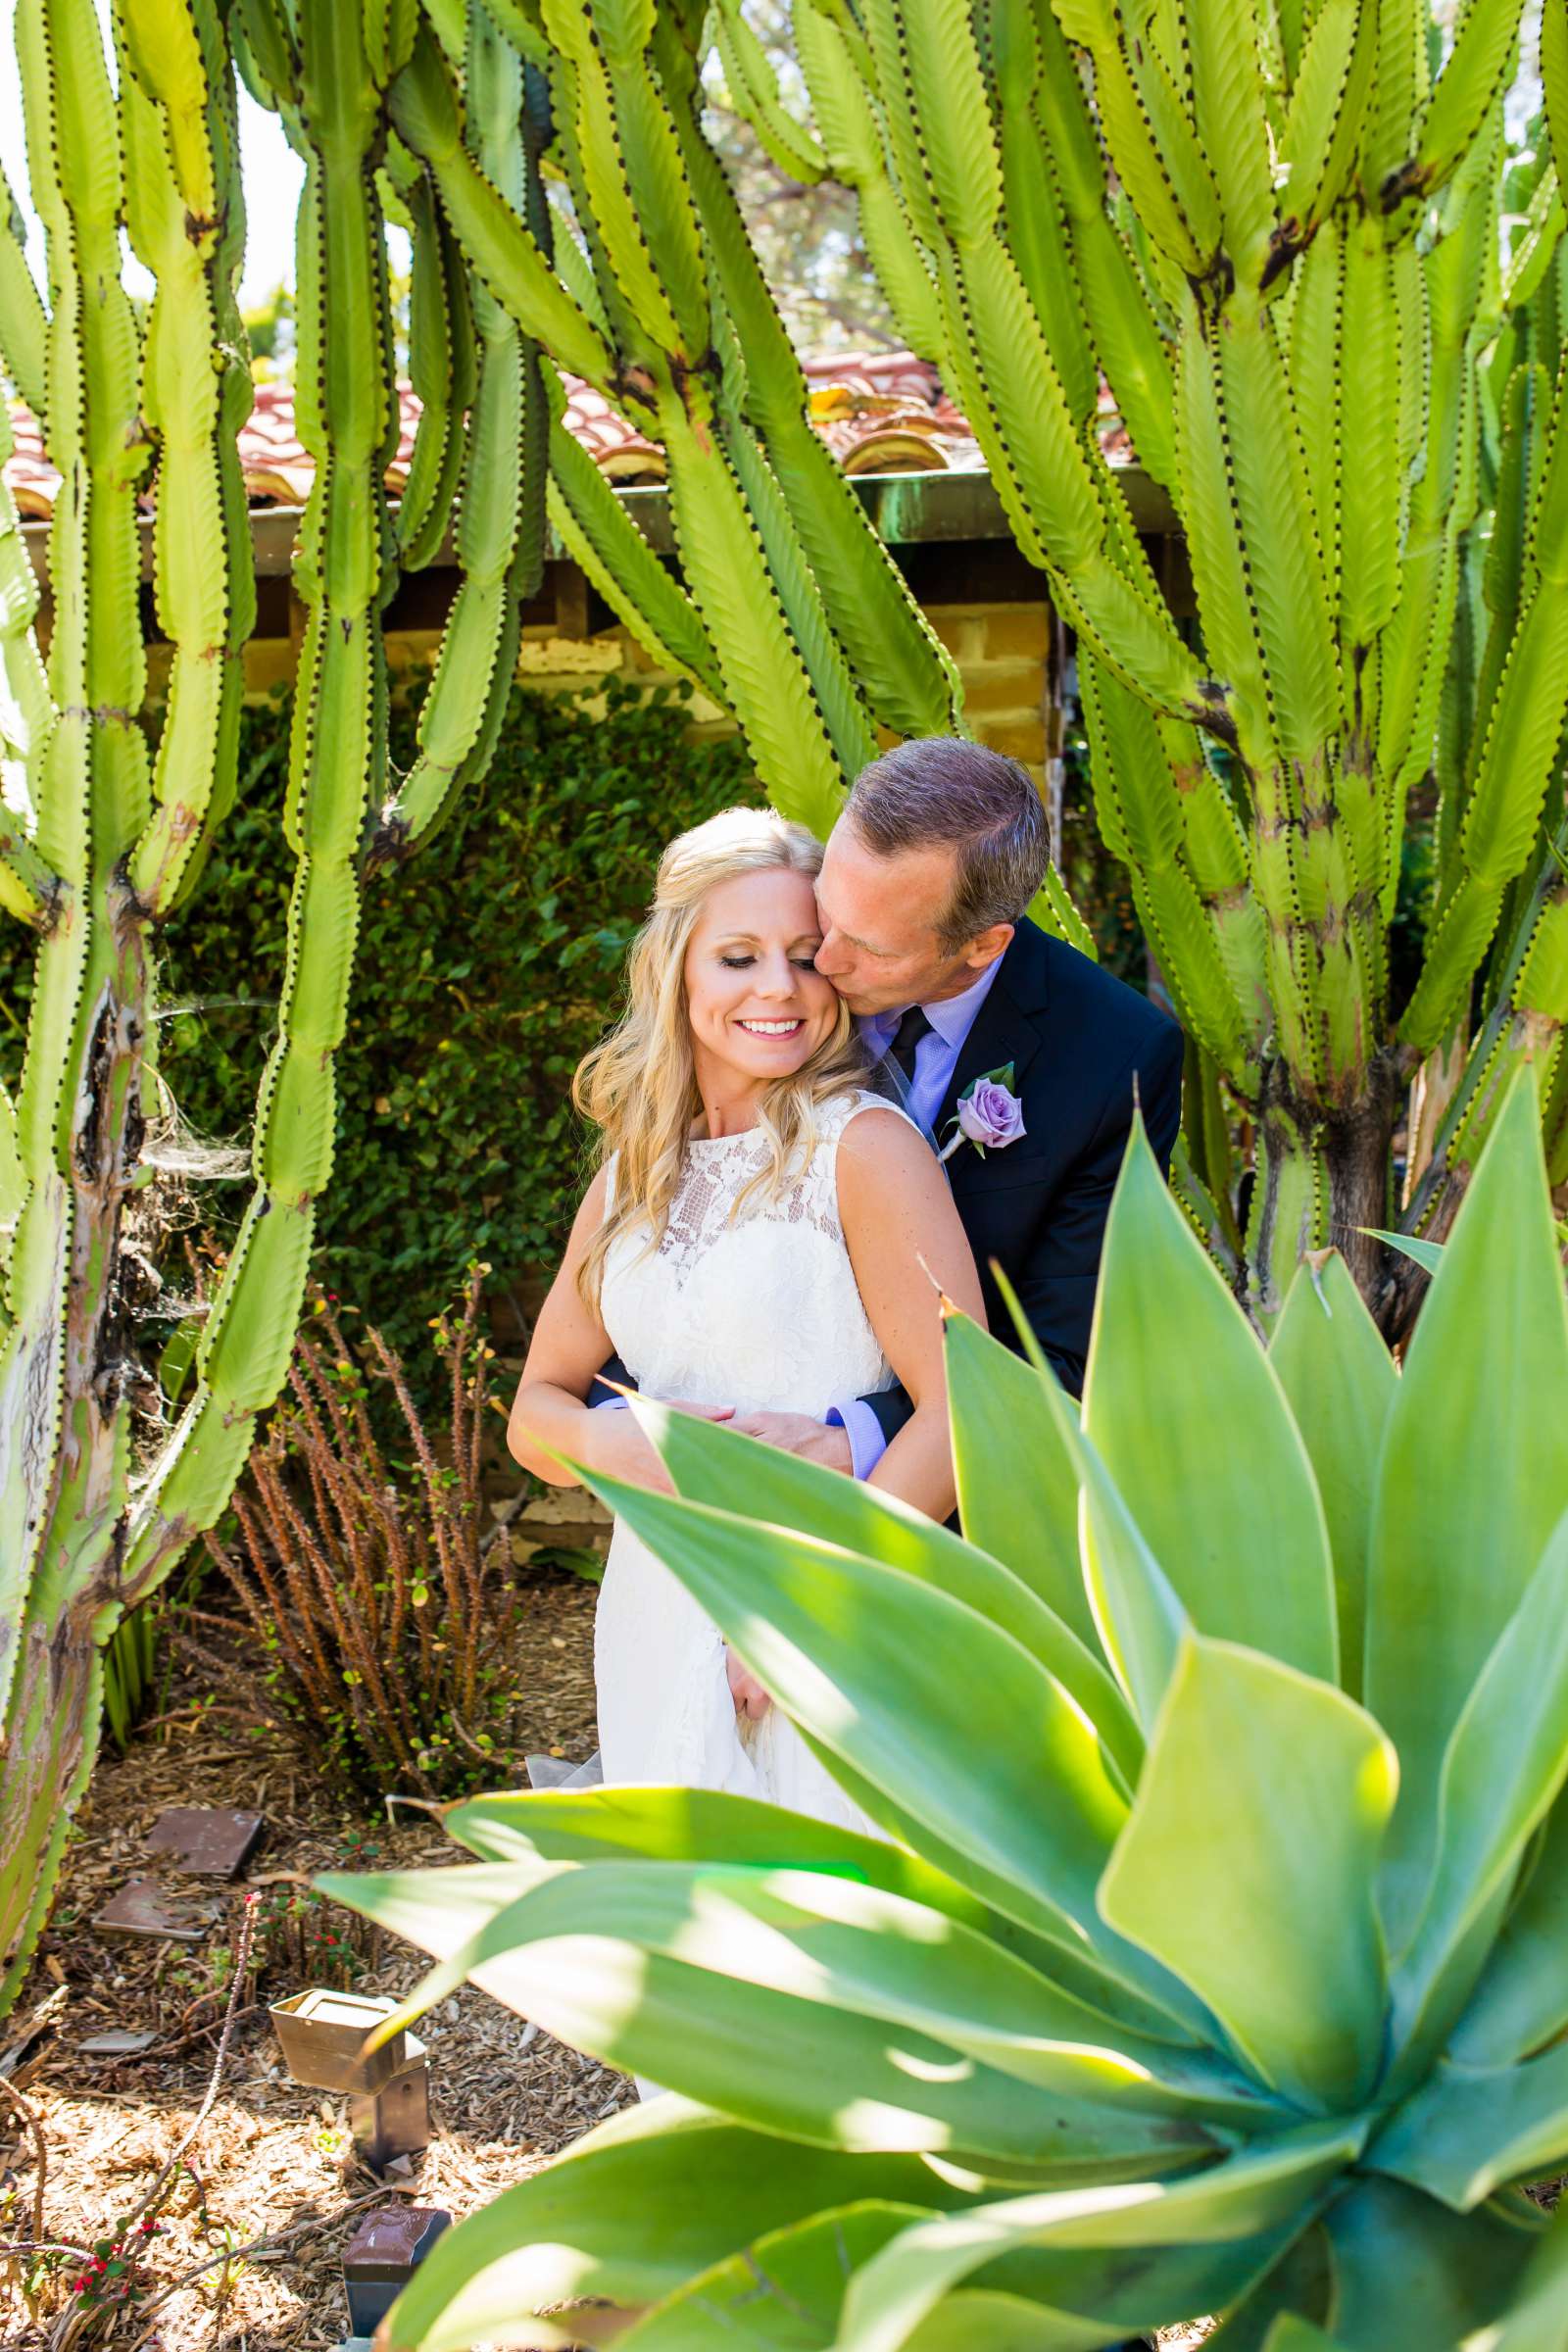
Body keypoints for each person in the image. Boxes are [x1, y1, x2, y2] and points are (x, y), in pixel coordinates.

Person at [507, 806, 985, 1828]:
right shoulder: (629, 1175)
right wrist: (602, 1440)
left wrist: (808, 1618)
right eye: (737, 956)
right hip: (653, 1610)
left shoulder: (863, 1148)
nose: (778, 986)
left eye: (807, 958)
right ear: (676, 971)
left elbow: (967, 1413)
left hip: (825, 1611)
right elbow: (533, 1411)